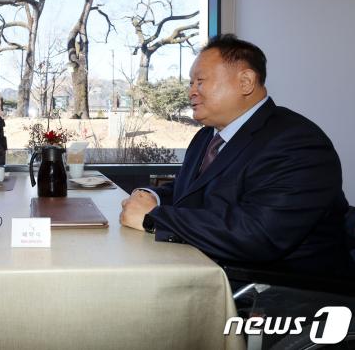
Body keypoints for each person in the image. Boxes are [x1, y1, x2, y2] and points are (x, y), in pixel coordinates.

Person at [120, 34, 350, 274]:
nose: (191, 92)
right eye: (191, 83)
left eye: (200, 81)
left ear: (245, 82)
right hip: (209, 268)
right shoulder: (206, 137)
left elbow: (257, 235)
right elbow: (192, 194)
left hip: (280, 290)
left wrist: (154, 218)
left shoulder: (298, 143)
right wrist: (150, 197)